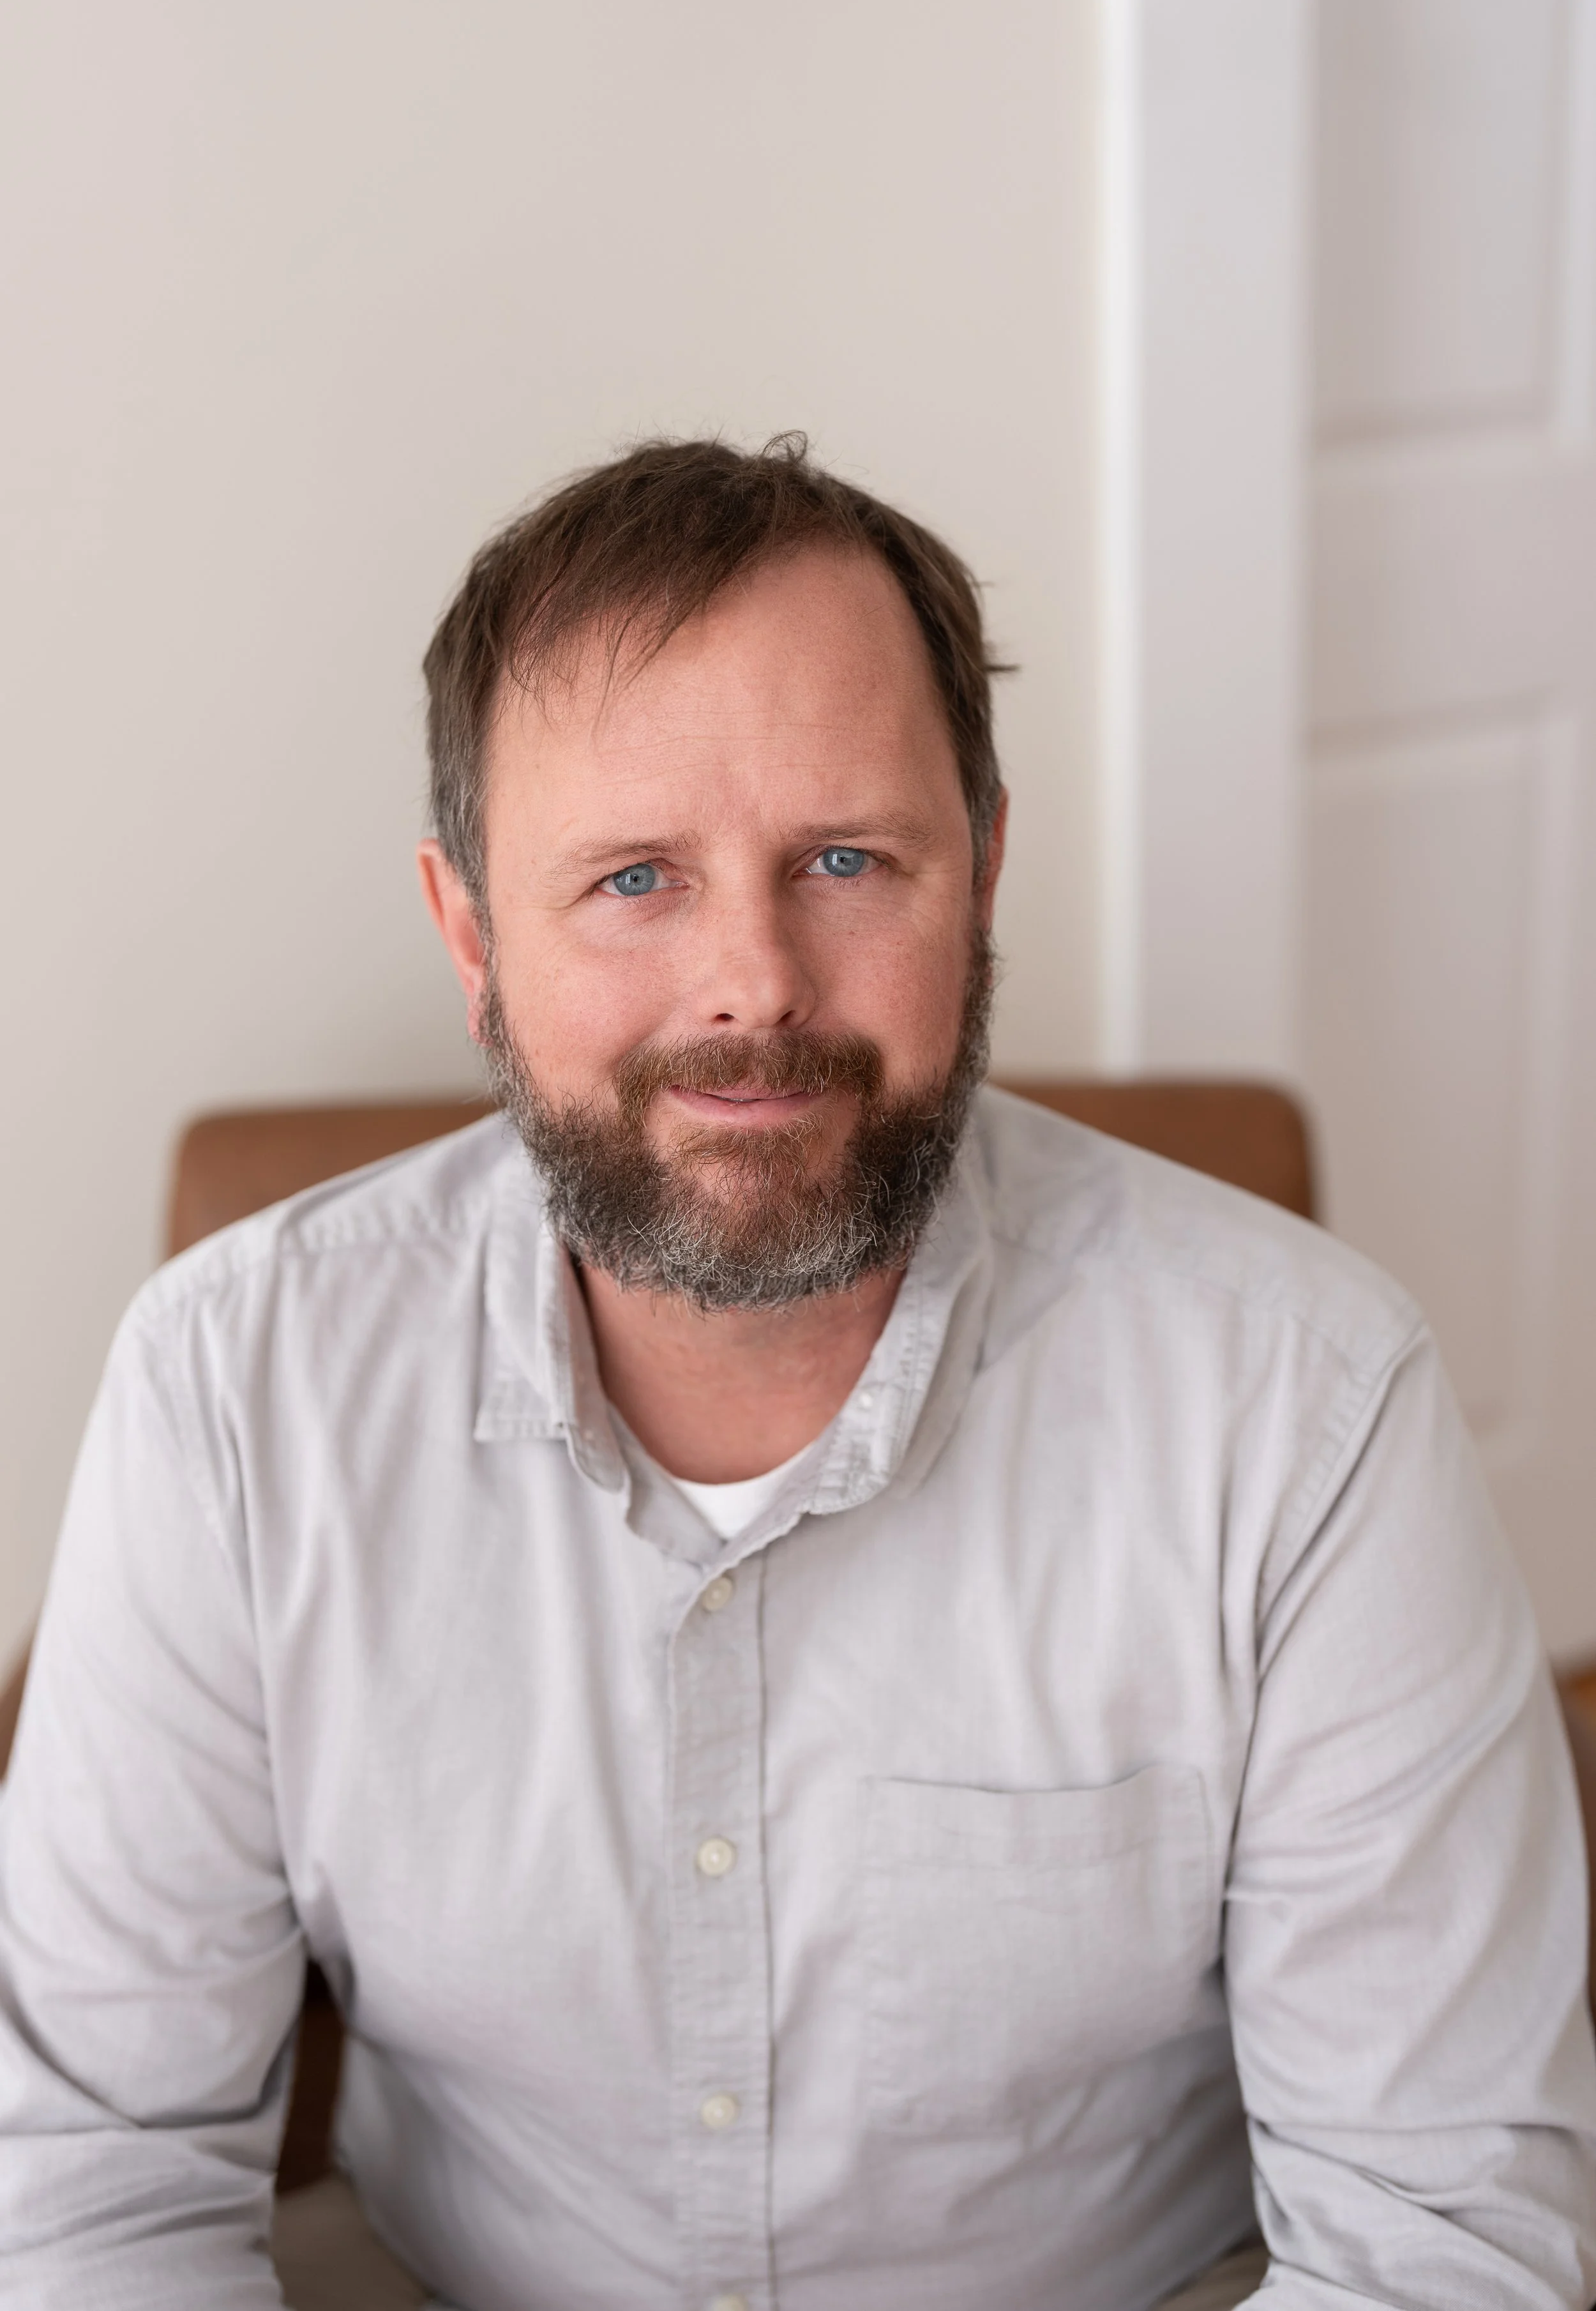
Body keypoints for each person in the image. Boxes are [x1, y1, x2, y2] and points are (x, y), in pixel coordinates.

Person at [0, 436, 1592, 2311]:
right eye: (631, 879)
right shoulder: (228, 1390)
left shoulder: (1311, 1403)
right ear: (469, 936)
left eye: (846, 858)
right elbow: (92, 2183)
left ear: (979, 870)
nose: (750, 983)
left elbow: (1437, 2245)